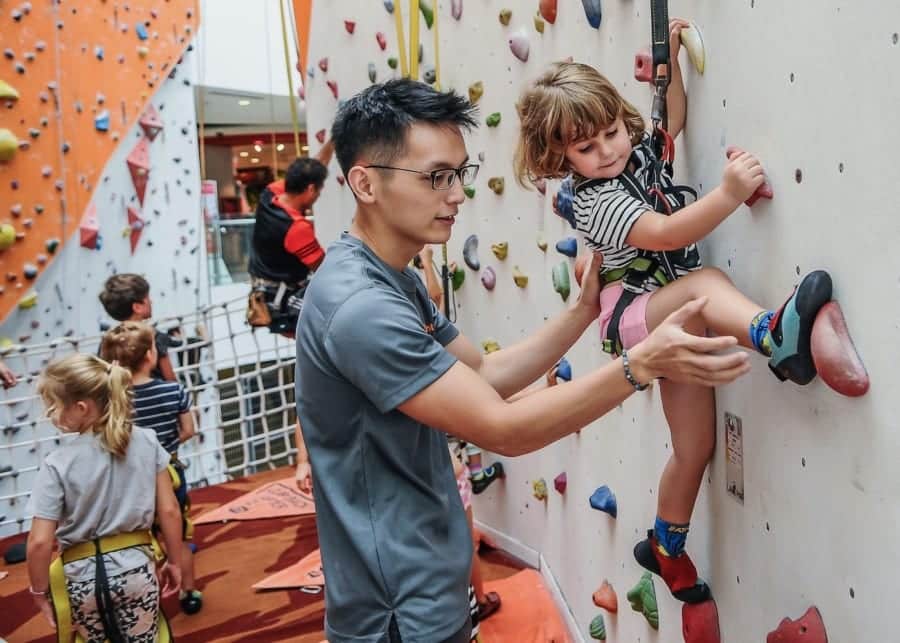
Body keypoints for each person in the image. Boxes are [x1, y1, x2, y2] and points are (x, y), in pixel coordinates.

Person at [294, 78, 748, 643]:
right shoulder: (360, 308)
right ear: (364, 182)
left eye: (461, 173)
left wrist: (585, 311)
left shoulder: (389, 277)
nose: (457, 195)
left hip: (426, 584)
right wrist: (640, 364)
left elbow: (485, 375)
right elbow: (502, 429)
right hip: (397, 612)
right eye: (436, 176)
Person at [512, 25, 854, 602]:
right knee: (707, 283)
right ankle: (775, 336)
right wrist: (728, 192)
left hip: (667, 321)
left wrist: (669, 67)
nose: (608, 152)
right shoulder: (594, 201)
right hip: (639, 316)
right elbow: (666, 234)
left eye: (612, 133)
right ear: (560, 157)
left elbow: (669, 117)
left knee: (694, 446)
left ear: (621, 119)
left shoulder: (634, 151)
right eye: (586, 149)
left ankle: (666, 546)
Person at [26, 353, 183, 642]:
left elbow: (39, 541)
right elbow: (170, 511)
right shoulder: (146, 440)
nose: (51, 415)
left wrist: (38, 591)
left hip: (81, 578)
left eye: (54, 407)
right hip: (136, 570)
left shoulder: (56, 463)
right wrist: (174, 560)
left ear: (82, 407)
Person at [100, 321, 202, 615]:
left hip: (127, 476)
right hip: (168, 472)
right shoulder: (173, 391)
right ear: (149, 356)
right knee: (179, 535)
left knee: (137, 537)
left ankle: (145, 594)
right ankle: (189, 592)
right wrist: (167, 443)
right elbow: (188, 430)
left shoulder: (112, 399)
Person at [247, 140, 335, 336]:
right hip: (282, 300)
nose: (318, 196)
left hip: (265, 290)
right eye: (319, 191)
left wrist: (335, 139)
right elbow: (325, 268)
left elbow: (313, 167)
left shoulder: (270, 194)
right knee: (332, 327)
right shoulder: (296, 228)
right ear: (311, 190)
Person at [98, 274, 177, 382]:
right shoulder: (154, 336)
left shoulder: (109, 340)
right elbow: (170, 379)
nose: (151, 302)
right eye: (147, 298)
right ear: (137, 307)